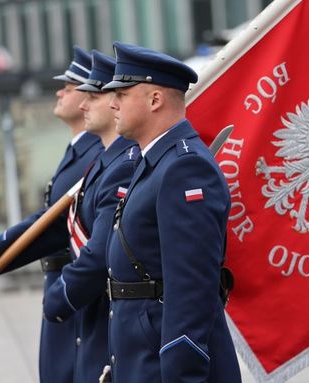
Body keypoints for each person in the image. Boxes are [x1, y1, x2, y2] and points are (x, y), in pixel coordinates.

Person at [0, 46, 104, 383]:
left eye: (71, 86)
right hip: (60, 281)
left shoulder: (97, 152)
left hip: (76, 291)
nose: (60, 92)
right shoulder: (80, 149)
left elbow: (53, 222)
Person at [102, 41, 241, 382]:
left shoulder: (185, 167)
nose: (112, 102)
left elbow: (190, 287)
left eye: (122, 92)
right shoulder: (156, 161)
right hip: (141, 356)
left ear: (155, 99)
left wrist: (182, 373)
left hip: (166, 364)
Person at [42, 49, 139, 381]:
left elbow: (99, 251)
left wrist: (61, 294)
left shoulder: (121, 162)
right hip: (83, 295)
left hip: (100, 301)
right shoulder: (104, 160)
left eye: (92, 95)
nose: (82, 103)